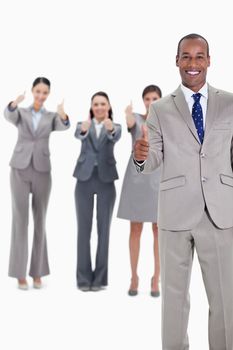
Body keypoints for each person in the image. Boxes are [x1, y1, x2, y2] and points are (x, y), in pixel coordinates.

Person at [134, 34, 233, 350]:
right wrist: (140, 156)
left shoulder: (230, 103)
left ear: (209, 60)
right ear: (177, 61)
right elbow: (154, 159)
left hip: (221, 213)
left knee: (226, 303)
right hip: (175, 214)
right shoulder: (161, 108)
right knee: (174, 303)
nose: (193, 64)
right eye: (186, 57)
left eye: (199, 56)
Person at [4, 77, 70, 290]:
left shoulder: (51, 117)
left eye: (45, 92)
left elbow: (63, 126)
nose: (41, 95)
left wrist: (62, 113)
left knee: (40, 221)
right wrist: (15, 102)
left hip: (42, 170)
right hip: (19, 169)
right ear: (33, 91)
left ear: (48, 94)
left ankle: (38, 273)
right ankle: (19, 274)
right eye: (38, 91)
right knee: (20, 221)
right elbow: (8, 115)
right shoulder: (21, 113)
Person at [73, 91, 121, 292]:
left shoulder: (115, 127)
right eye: (96, 104)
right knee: (83, 231)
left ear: (108, 106)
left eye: (103, 104)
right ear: (91, 107)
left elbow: (115, 136)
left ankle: (100, 279)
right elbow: (78, 134)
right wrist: (84, 130)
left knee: (104, 231)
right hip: (84, 180)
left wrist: (109, 130)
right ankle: (83, 279)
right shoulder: (82, 125)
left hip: (106, 180)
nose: (99, 107)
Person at [117, 85, 162, 297]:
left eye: (155, 98)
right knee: (135, 229)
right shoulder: (136, 118)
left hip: (159, 178)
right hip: (137, 178)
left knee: (158, 230)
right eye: (147, 98)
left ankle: (156, 278)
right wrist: (127, 113)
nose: (151, 101)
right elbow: (130, 123)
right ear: (143, 101)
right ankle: (134, 276)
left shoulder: (166, 122)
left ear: (161, 100)